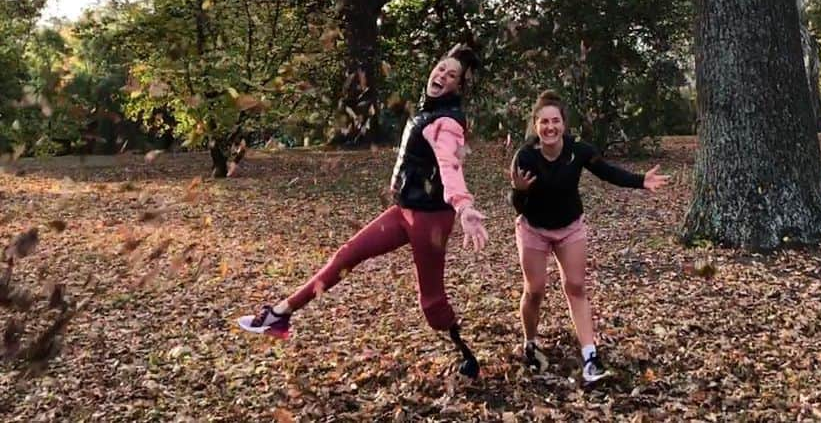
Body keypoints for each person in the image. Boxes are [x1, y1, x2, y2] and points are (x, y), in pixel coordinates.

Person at [237, 45, 489, 377]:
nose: (441, 75)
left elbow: (450, 168)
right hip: (404, 211)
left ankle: (466, 355)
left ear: (459, 86)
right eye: (440, 68)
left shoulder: (447, 123)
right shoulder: (428, 111)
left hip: (430, 221)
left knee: (431, 303)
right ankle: (280, 315)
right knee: (347, 255)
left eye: (451, 75)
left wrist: (464, 207)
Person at [509, 90, 670, 384]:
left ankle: (590, 357)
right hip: (534, 228)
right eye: (543, 122)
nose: (549, 127)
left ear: (563, 124)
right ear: (535, 125)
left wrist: (640, 181)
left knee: (576, 286)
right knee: (535, 289)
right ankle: (530, 344)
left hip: (570, 225)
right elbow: (519, 206)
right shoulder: (525, 156)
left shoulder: (578, 150)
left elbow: (607, 172)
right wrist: (518, 191)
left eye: (555, 121)